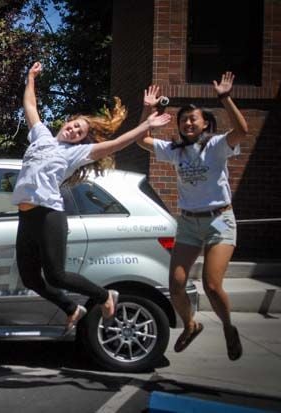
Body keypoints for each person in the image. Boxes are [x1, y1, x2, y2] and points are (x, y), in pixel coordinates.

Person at [13, 62, 172, 331]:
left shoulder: (75, 154)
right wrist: (30, 78)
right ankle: (72, 308)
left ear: (80, 141)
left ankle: (103, 296)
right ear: (66, 122)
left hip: (49, 215)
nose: (74, 131)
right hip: (26, 216)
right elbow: (30, 107)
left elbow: (116, 144)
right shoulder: (40, 137)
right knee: (30, 278)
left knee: (57, 275)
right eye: (74, 125)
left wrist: (146, 123)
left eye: (80, 133)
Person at [137, 72, 248, 360]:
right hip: (188, 222)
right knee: (175, 285)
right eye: (183, 119)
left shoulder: (218, 145)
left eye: (193, 119)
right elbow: (141, 140)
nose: (187, 122)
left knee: (212, 285)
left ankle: (228, 327)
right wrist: (148, 110)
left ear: (205, 123)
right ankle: (190, 324)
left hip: (218, 220)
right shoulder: (175, 151)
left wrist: (225, 98)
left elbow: (242, 130)